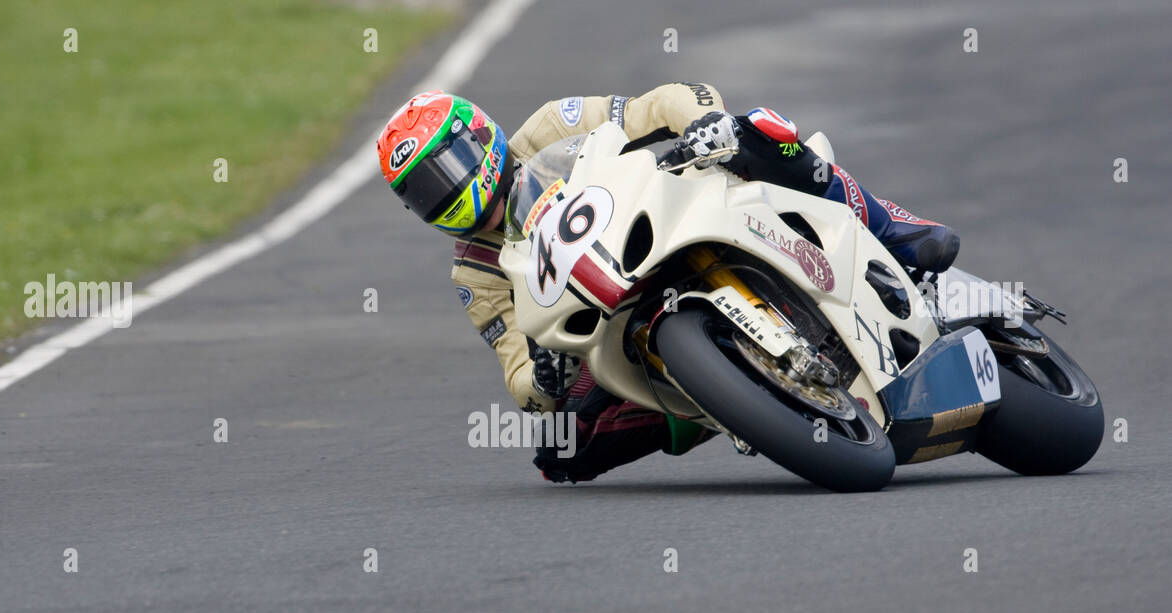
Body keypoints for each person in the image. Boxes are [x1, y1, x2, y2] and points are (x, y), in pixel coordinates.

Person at [376, 83, 959, 483]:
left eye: (446, 171)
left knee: (753, 131)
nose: (447, 195)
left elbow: (659, 103)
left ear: (478, 137)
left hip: (661, 214)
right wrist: (543, 377)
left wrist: (698, 123)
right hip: (608, 318)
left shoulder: (549, 125)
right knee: (558, 449)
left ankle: (890, 222)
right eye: (426, 193)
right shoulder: (475, 273)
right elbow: (518, 377)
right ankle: (713, 400)